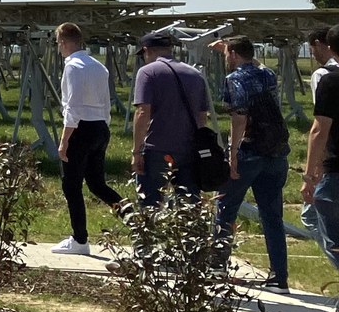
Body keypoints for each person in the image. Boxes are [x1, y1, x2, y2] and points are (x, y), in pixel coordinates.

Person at [210, 36, 290, 290]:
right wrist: (231, 47)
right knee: (272, 216)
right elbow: (255, 65)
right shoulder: (267, 74)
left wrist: (232, 153)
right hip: (276, 153)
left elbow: (239, 119)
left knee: (225, 207)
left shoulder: (234, 79)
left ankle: (216, 268)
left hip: (250, 152)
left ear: (233, 54)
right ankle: (279, 277)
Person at [51, 23, 124, 255]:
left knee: (71, 186)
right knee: (97, 184)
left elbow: (72, 108)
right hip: (100, 128)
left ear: (63, 42)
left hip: (80, 130)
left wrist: (64, 141)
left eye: (58, 43)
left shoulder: (72, 67)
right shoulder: (99, 67)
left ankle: (80, 240)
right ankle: (136, 222)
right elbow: (105, 103)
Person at [131, 31, 211, 205]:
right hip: (189, 148)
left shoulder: (147, 73)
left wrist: (136, 151)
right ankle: (191, 232)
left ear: (146, 50)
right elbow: (202, 116)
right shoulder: (195, 74)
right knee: (189, 205)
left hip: (156, 148)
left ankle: (152, 233)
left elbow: (143, 112)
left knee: (150, 204)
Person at [301, 24, 339, 312]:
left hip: (336, 169)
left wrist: (310, 172)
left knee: (332, 236)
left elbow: (319, 130)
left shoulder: (330, 81)